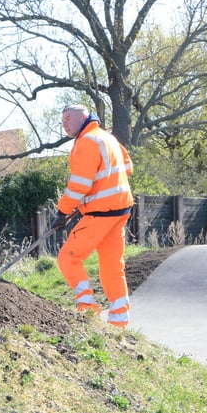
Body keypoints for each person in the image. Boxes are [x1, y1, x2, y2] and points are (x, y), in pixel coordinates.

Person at [54, 104, 134, 327]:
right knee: (112, 267)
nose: (65, 124)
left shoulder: (87, 142)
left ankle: (88, 309)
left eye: (68, 119)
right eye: (63, 121)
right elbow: (126, 166)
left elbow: (79, 184)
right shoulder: (108, 138)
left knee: (68, 257)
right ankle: (119, 322)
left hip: (101, 213)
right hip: (120, 210)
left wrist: (63, 211)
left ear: (83, 117)